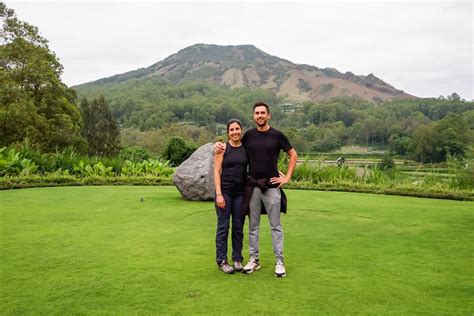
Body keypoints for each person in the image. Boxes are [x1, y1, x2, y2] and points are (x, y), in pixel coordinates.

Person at [216, 102, 298, 277]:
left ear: (268, 115)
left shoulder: (277, 135)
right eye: (257, 113)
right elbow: (233, 145)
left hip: (272, 187)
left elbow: (293, 154)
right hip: (253, 188)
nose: (260, 115)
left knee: (275, 226)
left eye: (263, 113)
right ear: (253, 116)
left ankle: (279, 261)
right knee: (253, 226)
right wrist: (218, 146)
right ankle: (254, 260)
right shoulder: (248, 136)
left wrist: (287, 176)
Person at [214, 119, 247, 274]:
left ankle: (237, 259)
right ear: (228, 133)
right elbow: (216, 172)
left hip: (240, 194)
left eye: (237, 129)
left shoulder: (245, 148)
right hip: (225, 193)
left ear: (241, 130)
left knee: (238, 227)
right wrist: (219, 194)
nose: (235, 132)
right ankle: (222, 260)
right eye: (232, 130)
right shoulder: (222, 149)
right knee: (223, 227)